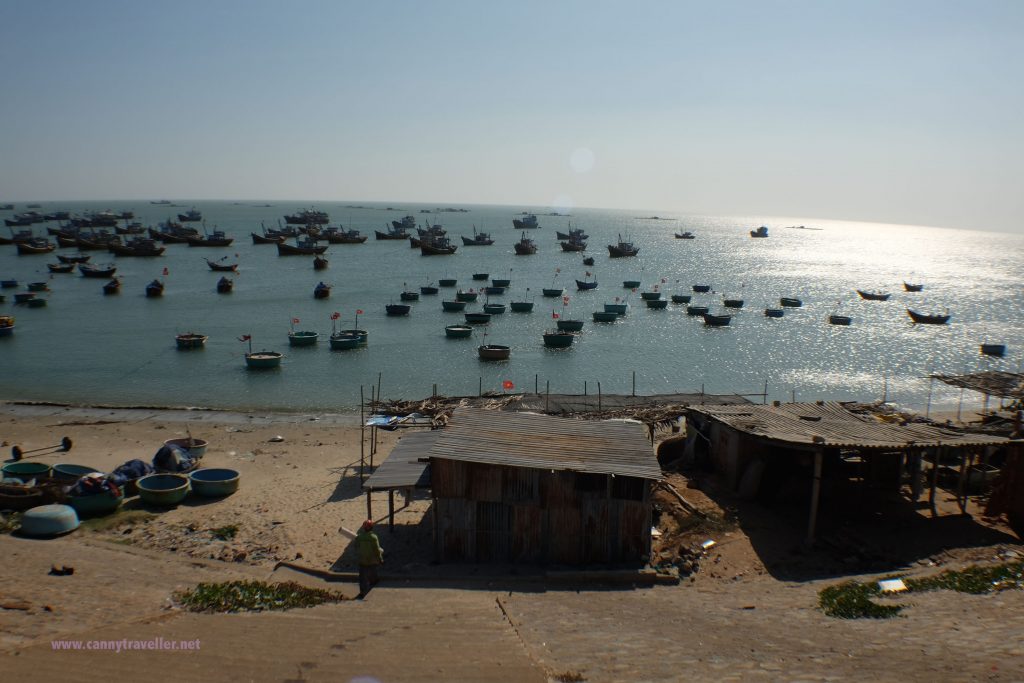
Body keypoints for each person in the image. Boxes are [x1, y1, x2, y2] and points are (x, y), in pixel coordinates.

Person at [355, 519, 384, 598]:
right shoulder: (373, 537)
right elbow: (377, 550)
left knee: (362, 577)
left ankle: (362, 592)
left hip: (362, 559)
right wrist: (380, 559)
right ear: (372, 527)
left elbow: (356, 547)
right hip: (372, 559)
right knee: (372, 571)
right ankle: (374, 581)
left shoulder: (359, 537)